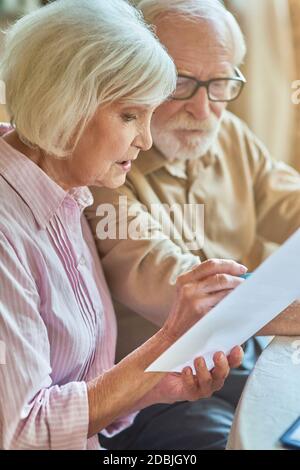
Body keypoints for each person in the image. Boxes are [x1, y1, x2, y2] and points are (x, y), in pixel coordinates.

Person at [0, 0, 245, 450]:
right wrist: (168, 338)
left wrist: (155, 383)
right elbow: (22, 433)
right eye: (130, 115)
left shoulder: (69, 190)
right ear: (64, 105)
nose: (146, 139)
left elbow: (78, 391)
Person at [86, 0, 300, 450]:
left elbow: (291, 200)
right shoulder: (107, 162)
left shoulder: (230, 135)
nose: (204, 110)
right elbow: (174, 285)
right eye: (180, 82)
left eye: (220, 84)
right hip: (156, 393)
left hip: (243, 357)